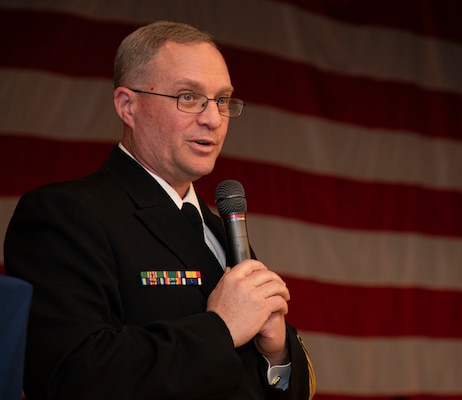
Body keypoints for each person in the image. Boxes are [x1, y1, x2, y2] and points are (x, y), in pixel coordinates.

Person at [4, 21, 315, 400]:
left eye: (222, 100)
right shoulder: (64, 214)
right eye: (188, 97)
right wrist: (220, 328)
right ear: (127, 105)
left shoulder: (221, 230)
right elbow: (71, 375)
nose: (213, 119)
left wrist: (276, 353)